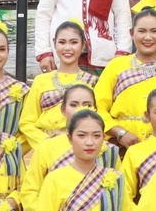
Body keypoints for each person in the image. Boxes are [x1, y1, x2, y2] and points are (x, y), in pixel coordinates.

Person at [95, 10, 156, 149]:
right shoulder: (116, 66)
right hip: (119, 145)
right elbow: (97, 107)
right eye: (142, 31)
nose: (148, 37)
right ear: (132, 33)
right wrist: (120, 133)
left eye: (154, 31)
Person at [19, 23, 101, 154]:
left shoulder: (93, 82)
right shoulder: (40, 81)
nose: (67, 48)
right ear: (54, 43)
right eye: (62, 42)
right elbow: (26, 122)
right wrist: (47, 142)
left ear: (83, 45)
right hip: (46, 149)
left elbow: (99, 121)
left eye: (74, 42)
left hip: (80, 148)